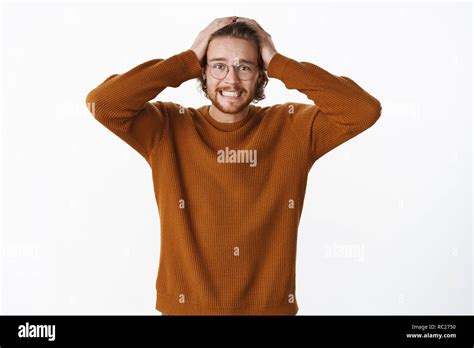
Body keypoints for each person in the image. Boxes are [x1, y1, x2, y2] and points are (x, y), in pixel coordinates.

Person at [85, 16, 382, 316]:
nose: (231, 80)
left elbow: (363, 111)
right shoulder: (167, 127)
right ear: (201, 71)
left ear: (260, 74)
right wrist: (185, 60)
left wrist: (279, 62)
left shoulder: (292, 127)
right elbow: (104, 102)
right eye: (218, 65)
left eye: (244, 67)